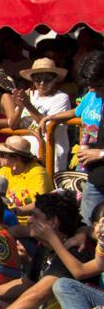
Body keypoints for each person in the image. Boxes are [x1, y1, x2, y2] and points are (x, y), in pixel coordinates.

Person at [40, 51, 104, 224]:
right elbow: (75, 112)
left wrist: (100, 154)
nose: (93, 90)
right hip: (94, 173)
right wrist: (51, 117)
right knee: (86, 224)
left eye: (97, 85)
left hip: (96, 164)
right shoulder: (92, 97)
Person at [13, 57, 72, 172]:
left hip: (49, 156)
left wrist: (28, 104)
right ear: (32, 80)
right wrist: (20, 106)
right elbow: (13, 126)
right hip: (25, 156)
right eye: (37, 79)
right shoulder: (28, 95)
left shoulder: (61, 98)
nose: (42, 83)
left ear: (55, 80)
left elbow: (47, 127)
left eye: (47, 79)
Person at [0, 135, 54, 225]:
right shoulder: (3, 171)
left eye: (2, 154)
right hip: (7, 221)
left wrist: (14, 212)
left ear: (17, 159)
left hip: (31, 223)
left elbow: (40, 204)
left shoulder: (37, 173)